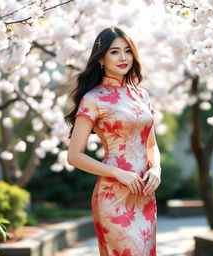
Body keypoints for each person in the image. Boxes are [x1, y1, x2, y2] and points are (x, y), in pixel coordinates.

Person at [65, 26, 161, 256]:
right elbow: (74, 155)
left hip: (144, 194)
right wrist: (119, 174)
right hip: (113, 197)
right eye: (114, 51)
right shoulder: (93, 99)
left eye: (127, 51)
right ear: (101, 59)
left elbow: (151, 144)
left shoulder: (141, 95)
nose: (123, 57)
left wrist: (156, 168)